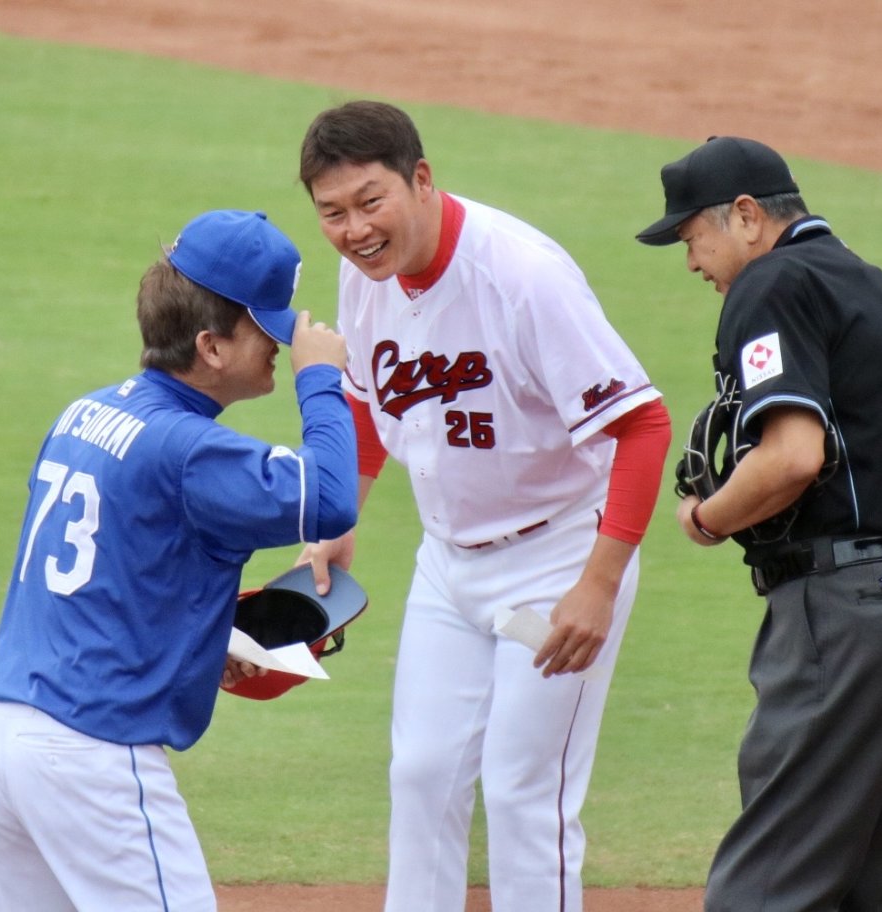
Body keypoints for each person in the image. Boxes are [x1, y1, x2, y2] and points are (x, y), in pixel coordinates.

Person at [297, 100, 672, 912]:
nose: (355, 230)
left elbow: (642, 425)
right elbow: (365, 401)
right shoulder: (365, 279)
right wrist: (339, 523)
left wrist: (598, 585)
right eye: (333, 213)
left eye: (371, 202)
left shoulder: (522, 277)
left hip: (555, 567)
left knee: (521, 790)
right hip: (448, 568)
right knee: (421, 773)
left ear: (421, 180)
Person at [0, 209, 358, 911]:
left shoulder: (82, 415)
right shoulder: (190, 450)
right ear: (211, 346)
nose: (281, 344)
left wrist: (202, 647)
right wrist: (321, 379)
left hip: (7, 733)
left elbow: (111, 575)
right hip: (93, 755)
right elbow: (331, 500)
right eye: (265, 330)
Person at [637, 136, 882, 911]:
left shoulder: (773, 283)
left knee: (766, 890)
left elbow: (790, 457)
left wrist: (707, 519)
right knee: (860, 892)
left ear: (746, 217)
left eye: (693, 238)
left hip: (844, 612)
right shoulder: (872, 288)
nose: (693, 262)